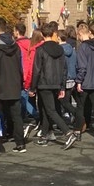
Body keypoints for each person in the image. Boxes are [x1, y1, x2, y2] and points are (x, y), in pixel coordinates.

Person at [29, 22, 77, 150]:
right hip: (56, 82)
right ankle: (45, 135)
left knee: (50, 110)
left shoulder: (40, 50)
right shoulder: (60, 49)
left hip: (44, 83)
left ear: (42, 34)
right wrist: (61, 86)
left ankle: (68, 133)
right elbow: (64, 69)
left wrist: (32, 88)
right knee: (46, 109)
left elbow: (37, 69)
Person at [0, 17, 26, 152]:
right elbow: (19, 65)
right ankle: (20, 142)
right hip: (14, 83)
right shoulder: (15, 45)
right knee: (16, 115)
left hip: (0, 84)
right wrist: (21, 81)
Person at [74, 22, 94, 143]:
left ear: (80, 34)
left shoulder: (82, 47)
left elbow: (82, 67)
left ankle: (77, 131)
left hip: (86, 80)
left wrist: (79, 81)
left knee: (80, 107)